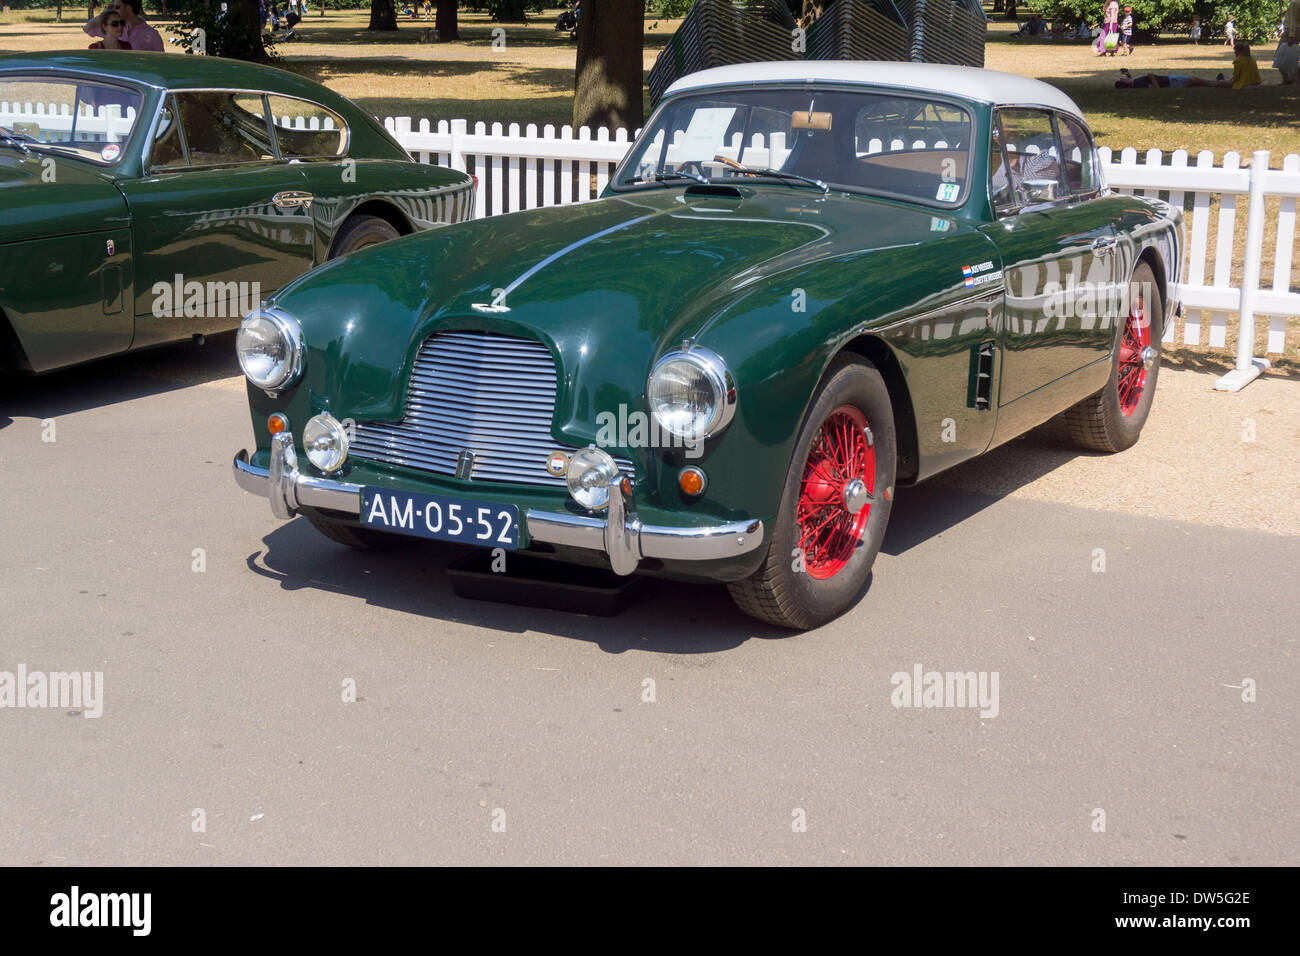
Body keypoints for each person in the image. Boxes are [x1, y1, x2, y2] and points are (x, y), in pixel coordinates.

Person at [83, 0, 163, 51]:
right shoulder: (113, 27)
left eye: (117, 7)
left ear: (128, 8)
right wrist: (105, 14)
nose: (114, 10)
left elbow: (161, 61)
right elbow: (87, 28)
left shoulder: (152, 34)